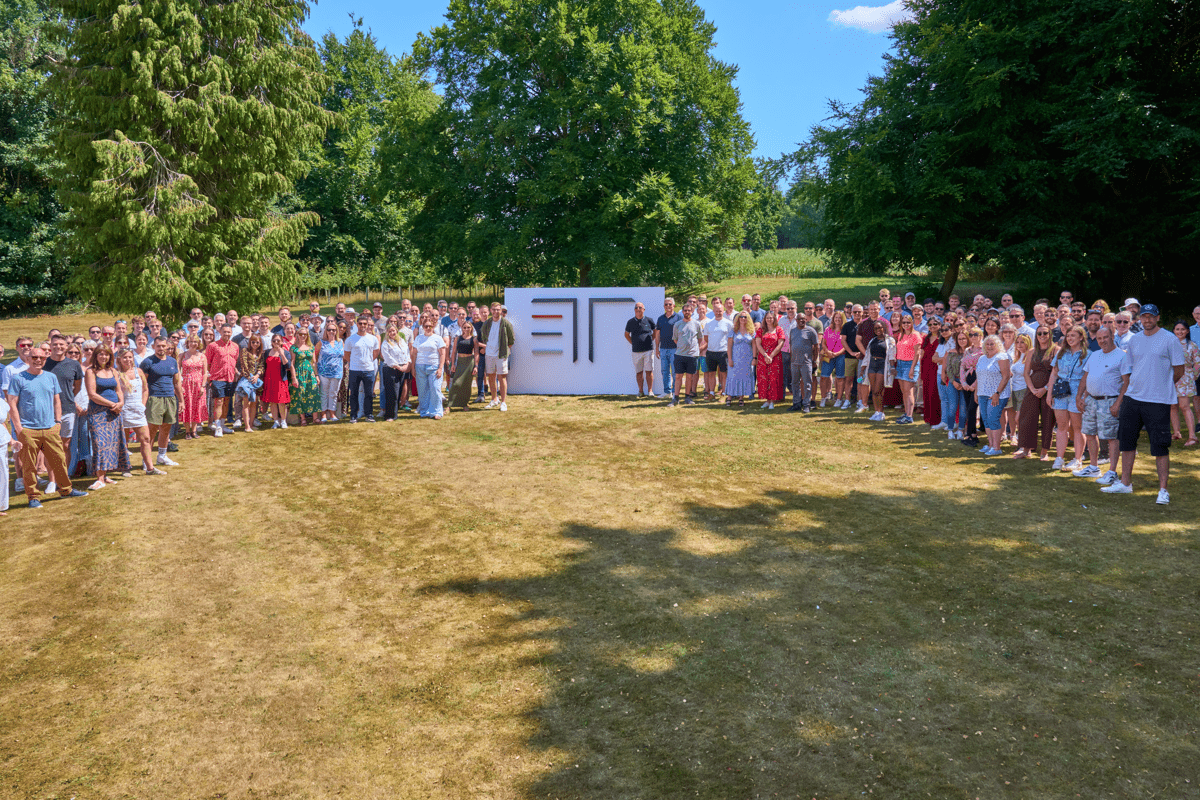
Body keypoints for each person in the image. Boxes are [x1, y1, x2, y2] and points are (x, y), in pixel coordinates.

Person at [1102, 304, 1185, 503]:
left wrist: (1162, 385)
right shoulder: (1135, 340)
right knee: (1127, 442)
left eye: (1151, 316)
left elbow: (1179, 370)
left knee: (1160, 446)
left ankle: (1163, 490)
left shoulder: (1170, 339)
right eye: (1144, 316)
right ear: (1140, 319)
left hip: (1158, 401)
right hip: (1133, 398)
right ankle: (1125, 483)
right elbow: (1128, 367)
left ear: (1158, 318)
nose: (1147, 320)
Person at [8, 345, 88, 508]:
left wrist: (58, 422)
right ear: (28, 359)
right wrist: (19, 429)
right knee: (29, 466)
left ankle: (66, 490)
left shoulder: (51, 377)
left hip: (51, 428)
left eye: (41, 358)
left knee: (59, 461)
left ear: (45, 359)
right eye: (34, 357)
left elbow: (57, 400)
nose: (38, 360)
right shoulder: (18, 378)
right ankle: (33, 497)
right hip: (28, 429)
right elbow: (12, 404)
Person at [1069, 326, 1130, 483]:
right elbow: (1085, 377)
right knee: (1090, 433)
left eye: (1105, 337)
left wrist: (1118, 403)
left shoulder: (1122, 356)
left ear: (1112, 337)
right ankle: (1093, 467)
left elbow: (1127, 382)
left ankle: (1112, 472)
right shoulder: (1095, 355)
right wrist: (1080, 397)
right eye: (1100, 338)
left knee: (1111, 438)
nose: (1103, 341)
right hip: (1091, 400)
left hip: (1109, 401)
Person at [84, 345, 131, 489]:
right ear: (96, 356)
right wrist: (112, 404)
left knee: (112, 443)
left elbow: (119, 390)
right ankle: (99, 479)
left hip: (114, 412)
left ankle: (104, 475)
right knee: (100, 443)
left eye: (107, 354)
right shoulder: (90, 371)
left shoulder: (113, 371)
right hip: (98, 412)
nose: (104, 357)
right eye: (101, 354)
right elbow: (92, 394)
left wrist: (120, 403)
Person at [1048, 326, 1088, 470]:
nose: (1070, 338)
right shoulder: (1061, 353)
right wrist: (1049, 393)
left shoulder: (1088, 354)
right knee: (1061, 426)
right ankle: (1059, 458)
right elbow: (1054, 373)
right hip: (1060, 390)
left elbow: (1087, 377)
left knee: (1077, 427)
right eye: (1068, 335)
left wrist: (1083, 396)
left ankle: (1078, 459)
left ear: (1081, 337)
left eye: (1073, 335)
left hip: (1078, 391)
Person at [116, 348, 161, 474]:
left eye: (130, 357)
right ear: (119, 359)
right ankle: (125, 467)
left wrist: (143, 404)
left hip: (138, 409)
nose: (128, 360)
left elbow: (145, 389)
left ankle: (150, 468)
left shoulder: (139, 371)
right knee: (124, 441)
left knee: (145, 439)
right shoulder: (116, 373)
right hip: (124, 410)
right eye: (125, 357)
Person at [141, 337, 182, 467]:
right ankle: (146, 460)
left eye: (163, 346)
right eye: (158, 346)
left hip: (170, 398)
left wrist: (181, 400)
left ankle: (162, 456)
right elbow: (143, 385)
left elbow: (176, 383)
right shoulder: (147, 362)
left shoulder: (172, 361)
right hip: (154, 399)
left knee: (166, 429)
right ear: (154, 347)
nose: (161, 348)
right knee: (151, 430)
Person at [45, 334, 84, 465]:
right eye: (55, 344)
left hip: (68, 409)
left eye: (61, 344)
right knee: (50, 446)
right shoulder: (44, 363)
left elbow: (77, 387)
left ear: (66, 346)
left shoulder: (74, 364)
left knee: (65, 445)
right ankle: (52, 476)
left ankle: (64, 475)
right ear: (50, 346)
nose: (58, 347)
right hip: (48, 410)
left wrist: (68, 397)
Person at [975, 335, 1012, 455]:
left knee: (993, 418)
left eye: (992, 344)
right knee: (986, 420)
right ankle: (991, 445)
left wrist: (997, 393)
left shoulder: (1002, 357)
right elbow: (979, 377)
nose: (989, 346)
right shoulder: (982, 358)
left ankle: (997, 448)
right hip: (982, 393)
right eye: (987, 344)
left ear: (998, 345)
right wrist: (976, 392)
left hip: (997, 394)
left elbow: (1006, 376)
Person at [344, 314, 380, 422]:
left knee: (369, 394)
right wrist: (354, 362)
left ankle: (369, 415)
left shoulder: (373, 339)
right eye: (360, 323)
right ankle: (353, 415)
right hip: (354, 370)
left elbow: (376, 353)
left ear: (368, 325)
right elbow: (346, 355)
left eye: (365, 324)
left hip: (368, 369)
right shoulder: (350, 339)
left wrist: (368, 361)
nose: (363, 325)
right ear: (357, 324)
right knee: (354, 393)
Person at [205, 324, 239, 437]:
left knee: (226, 402)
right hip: (217, 378)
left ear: (231, 333)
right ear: (220, 332)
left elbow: (235, 361)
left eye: (229, 332)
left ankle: (223, 425)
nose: (227, 334)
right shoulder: (213, 346)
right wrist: (209, 378)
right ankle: (218, 426)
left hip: (230, 378)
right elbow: (207, 363)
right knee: (218, 402)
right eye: (224, 332)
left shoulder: (235, 346)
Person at [480, 302, 515, 411]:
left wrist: (504, 350)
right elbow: (484, 336)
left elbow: (511, 340)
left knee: (502, 377)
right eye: (494, 309)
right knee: (491, 377)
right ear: (491, 310)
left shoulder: (506, 323)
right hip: (489, 354)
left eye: (498, 309)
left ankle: (503, 402)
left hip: (501, 355)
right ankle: (494, 399)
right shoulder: (487, 323)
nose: (496, 311)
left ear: (501, 310)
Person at [412, 313, 447, 419]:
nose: (428, 328)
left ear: (433, 326)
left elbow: (442, 354)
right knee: (423, 391)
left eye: (430, 326)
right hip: (420, 367)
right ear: (422, 327)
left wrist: (440, 368)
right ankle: (424, 411)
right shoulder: (418, 338)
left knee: (435, 389)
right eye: (426, 326)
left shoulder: (438, 338)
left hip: (434, 367)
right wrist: (413, 368)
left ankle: (437, 412)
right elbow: (414, 354)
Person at [667, 303, 703, 406]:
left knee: (689, 377)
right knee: (678, 376)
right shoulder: (677, 324)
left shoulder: (697, 324)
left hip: (692, 355)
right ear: (682, 312)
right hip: (680, 354)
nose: (687, 312)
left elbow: (700, 339)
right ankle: (676, 398)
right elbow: (675, 339)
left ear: (692, 311)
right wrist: (682, 346)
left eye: (689, 310)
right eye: (685, 310)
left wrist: (693, 349)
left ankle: (687, 397)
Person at [1170, 320, 1198, 446]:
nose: (1180, 332)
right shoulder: (1169, 344)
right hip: (1171, 377)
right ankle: (1176, 432)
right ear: (1173, 331)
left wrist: (1193, 376)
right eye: (1177, 329)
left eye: (1182, 329)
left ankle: (1192, 436)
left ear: (1187, 331)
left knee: (1184, 406)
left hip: (1185, 378)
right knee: (1172, 406)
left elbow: (1197, 363)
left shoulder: (1192, 345)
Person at [893, 314, 923, 424]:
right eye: (904, 322)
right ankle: (906, 413)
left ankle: (909, 416)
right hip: (900, 363)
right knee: (904, 391)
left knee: (909, 391)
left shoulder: (916, 335)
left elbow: (917, 353)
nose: (906, 324)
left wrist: (912, 369)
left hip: (910, 364)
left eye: (908, 322)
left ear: (912, 323)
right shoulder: (901, 335)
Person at [263, 334, 297, 429]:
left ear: (282, 341)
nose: (276, 342)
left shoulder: (286, 352)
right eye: (274, 340)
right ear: (271, 342)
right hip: (269, 379)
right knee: (272, 402)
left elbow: (288, 366)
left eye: (278, 340)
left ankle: (283, 421)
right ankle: (276, 421)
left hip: (280, 380)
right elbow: (264, 366)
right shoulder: (267, 352)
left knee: (281, 402)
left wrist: (282, 354)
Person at [178, 335, 209, 439]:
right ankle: (187, 431)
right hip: (186, 384)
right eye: (191, 341)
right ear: (187, 343)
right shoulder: (182, 355)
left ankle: (194, 430)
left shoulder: (202, 356)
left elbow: (205, 373)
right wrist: (180, 385)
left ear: (198, 343)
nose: (193, 344)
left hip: (198, 385)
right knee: (187, 407)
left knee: (197, 407)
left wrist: (203, 386)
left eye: (195, 342)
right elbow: (177, 372)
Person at [380, 322, 413, 418]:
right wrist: (399, 367)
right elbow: (388, 358)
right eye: (390, 331)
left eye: (393, 331)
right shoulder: (385, 343)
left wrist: (407, 364)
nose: (392, 333)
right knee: (392, 393)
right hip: (391, 369)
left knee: (398, 392)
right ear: (387, 332)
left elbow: (407, 353)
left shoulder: (402, 341)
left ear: (397, 331)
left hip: (402, 369)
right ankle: (389, 416)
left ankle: (395, 413)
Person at [787, 310, 818, 412]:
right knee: (794, 384)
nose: (802, 321)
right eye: (799, 319)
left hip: (806, 362)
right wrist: (791, 358)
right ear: (796, 320)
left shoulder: (811, 331)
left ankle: (806, 404)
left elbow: (816, 346)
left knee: (807, 384)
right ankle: (796, 403)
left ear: (806, 320)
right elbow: (791, 345)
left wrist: (814, 360)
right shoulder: (792, 331)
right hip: (794, 362)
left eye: (803, 319)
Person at [624, 302, 657, 398]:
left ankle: (650, 391)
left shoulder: (649, 320)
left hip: (648, 350)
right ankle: (641, 391)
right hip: (636, 351)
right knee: (639, 372)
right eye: (636, 307)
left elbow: (655, 331)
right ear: (634, 310)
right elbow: (626, 334)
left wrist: (651, 339)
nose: (638, 309)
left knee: (649, 371)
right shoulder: (630, 322)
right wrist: (633, 343)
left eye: (640, 307)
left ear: (644, 309)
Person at [702, 302, 733, 400]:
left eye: (720, 311)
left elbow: (731, 338)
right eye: (716, 311)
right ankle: (711, 393)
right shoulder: (708, 323)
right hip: (711, 352)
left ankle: (724, 393)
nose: (718, 313)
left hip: (723, 352)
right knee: (711, 373)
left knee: (724, 374)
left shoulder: (729, 323)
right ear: (713, 311)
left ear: (723, 311)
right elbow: (706, 338)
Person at [865, 321, 895, 421]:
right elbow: (867, 354)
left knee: (879, 390)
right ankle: (876, 412)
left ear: (884, 328)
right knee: (873, 390)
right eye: (876, 328)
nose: (878, 330)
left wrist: (892, 367)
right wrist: (863, 369)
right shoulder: (872, 340)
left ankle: (881, 412)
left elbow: (892, 354)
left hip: (882, 365)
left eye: (880, 327)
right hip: (872, 365)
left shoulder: (889, 340)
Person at [314, 322, 343, 423]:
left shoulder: (341, 342)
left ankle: (332, 414)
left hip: (337, 372)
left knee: (333, 393)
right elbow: (315, 357)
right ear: (325, 331)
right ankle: (323, 415)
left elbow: (344, 355)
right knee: (324, 394)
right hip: (323, 373)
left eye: (333, 330)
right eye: (329, 330)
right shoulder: (321, 343)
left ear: (336, 331)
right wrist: (316, 373)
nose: (331, 332)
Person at [725, 312, 756, 406]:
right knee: (732, 377)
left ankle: (741, 398)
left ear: (748, 319)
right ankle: (729, 397)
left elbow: (754, 346)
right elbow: (729, 346)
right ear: (738, 318)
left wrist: (754, 358)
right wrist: (730, 359)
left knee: (744, 377)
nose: (743, 318)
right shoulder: (733, 331)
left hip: (747, 359)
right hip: (735, 358)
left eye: (745, 317)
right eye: (741, 317)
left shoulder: (751, 331)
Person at [958, 329, 984, 445]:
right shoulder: (967, 350)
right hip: (967, 379)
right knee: (969, 408)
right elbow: (962, 366)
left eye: (975, 334)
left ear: (981, 335)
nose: (973, 337)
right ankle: (971, 434)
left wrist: (974, 385)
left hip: (978, 380)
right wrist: (963, 382)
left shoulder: (984, 350)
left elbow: (983, 369)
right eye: (971, 335)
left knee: (972, 408)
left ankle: (971, 434)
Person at [290, 326, 320, 425]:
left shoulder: (311, 347)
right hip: (299, 373)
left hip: (310, 373)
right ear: (297, 335)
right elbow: (292, 363)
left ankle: (315, 418)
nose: (303, 336)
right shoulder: (294, 348)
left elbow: (314, 362)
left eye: (305, 334)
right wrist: (294, 378)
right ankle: (303, 418)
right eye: (301, 334)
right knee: (300, 394)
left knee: (314, 393)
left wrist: (316, 375)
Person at [236, 335, 265, 430]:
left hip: (256, 380)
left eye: (257, 342)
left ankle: (251, 425)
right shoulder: (245, 351)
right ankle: (247, 426)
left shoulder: (260, 353)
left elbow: (261, 366)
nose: (255, 344)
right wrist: (250, 377)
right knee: (246, 403)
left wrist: (257, 376)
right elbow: (244, 365)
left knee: (254, 403)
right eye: (253, 342)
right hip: (246, 379)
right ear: (250, 342)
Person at [941, 329, 966, 439]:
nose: (962, 341)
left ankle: (960, 430)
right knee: (952, 406)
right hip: (953, 381)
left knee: (963, 408)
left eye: (964, 338)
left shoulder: (970, 352)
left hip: (966, 383)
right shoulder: (952, 352)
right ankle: (950, 430)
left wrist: (964, 382)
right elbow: (949, 368)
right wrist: (953, 382)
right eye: (959, 339)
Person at [820, 310, 848, 408]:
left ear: (843, 319)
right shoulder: (828, 329)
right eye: (836, 317)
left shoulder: (845, 330)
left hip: (840, 356)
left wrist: (837, 353)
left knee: (840, 378)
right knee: (824, 377)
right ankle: (823, 398)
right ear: (833, 319)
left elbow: (846, 345)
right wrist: (828, 352)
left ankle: (838, 399)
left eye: (840, 318)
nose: (837, 319)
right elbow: (823, 343)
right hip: (828, 356)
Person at [654, 298, 681, 401]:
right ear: (664, 306)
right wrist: (657, 348)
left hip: (675, 349)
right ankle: (666, 391)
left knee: (674, 371)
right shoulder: (660, 318)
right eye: (666, 304)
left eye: (670, 304)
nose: (668, 306)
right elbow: (657, 334)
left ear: (674, 305)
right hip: (663, 349)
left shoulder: (679, 318)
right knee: (665, 371)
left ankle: (674, 392)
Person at [921, 318, 943, 427]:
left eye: (935, 324)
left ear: (939, 325)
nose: (932, 326)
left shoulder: (942, 339)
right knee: (926, 393)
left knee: (934, 394)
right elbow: (922, 354)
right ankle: (928, 418)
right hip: (925, 368)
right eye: (930, 324)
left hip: (936, 369)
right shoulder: (926, 338)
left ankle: (936, 419)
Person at [840, 305, 863, 410]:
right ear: (852, 313)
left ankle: (860, 400)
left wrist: (861, 353)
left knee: (860, 380)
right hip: (849, 357)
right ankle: (847, 400)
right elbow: (843, 340)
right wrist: (851, 352)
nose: (857, 314)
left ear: (862, 312)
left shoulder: (865, 324)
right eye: (855, 312)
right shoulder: (847, 325)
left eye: (859, 312)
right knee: (848, 379)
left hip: (862, 357)